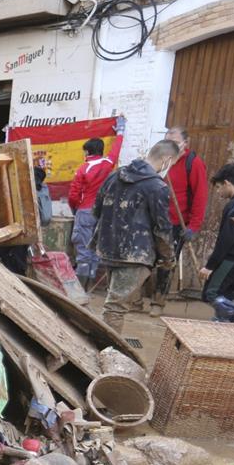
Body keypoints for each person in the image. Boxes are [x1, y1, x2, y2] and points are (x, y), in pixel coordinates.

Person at [90, 140, 179, 334]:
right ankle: (106, 352)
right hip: (135, 254)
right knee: (114, 308)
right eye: (171, 164)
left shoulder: (114, 176)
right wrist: (168, 258)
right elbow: (162, 228)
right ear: (166, 160)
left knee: (113, 303)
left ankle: (104, 348)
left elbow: (96, 210)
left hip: (108, 248)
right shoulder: (157, 187)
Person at [139, 126, 210, 316]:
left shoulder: (193, 163)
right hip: (151, 220)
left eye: (175, 142)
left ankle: (158, 302)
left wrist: (194, 226)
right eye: (167, 142)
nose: (170, 146)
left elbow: (200, 197)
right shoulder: (158, 161)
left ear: (185, 144)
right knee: (143, 259)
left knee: (166, 263)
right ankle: (136, 299)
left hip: (176, 223)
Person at [67, 137, 114, 286]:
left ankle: (81, 288)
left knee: (83, 249)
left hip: (85, 210)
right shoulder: (108, 164)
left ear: (87, 151)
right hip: (103, 212)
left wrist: (75, 208)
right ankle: (90, 284)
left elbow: (74, 194)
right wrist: (120, 131)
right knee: (95, 248)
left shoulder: (84, 168)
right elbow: (116, 150)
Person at [198, 164, 234, 307]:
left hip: (232, 258)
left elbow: (227, 239)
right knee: (229, 293)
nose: (218, 192)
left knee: (212, 293)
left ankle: (231, 321)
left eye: (218, 187)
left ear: (227, 183)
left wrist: (210, 266)